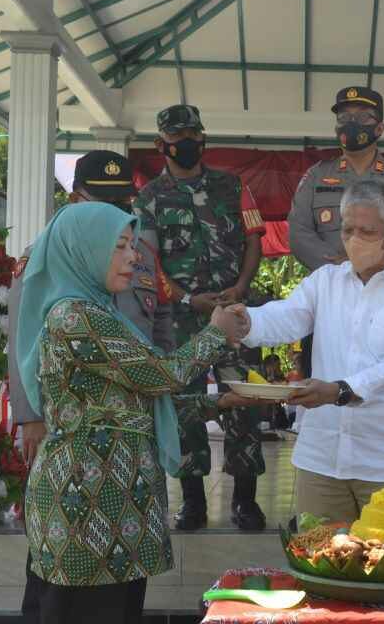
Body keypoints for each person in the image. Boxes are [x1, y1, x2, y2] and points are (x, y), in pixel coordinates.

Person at [14, 202, 247, 624]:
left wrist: (221, 402)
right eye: (118, 246)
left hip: (114, 506)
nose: (133, 257)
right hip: (85, 508)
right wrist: (215, 333)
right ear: (84, 249)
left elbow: (131, 407)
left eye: (132, 246)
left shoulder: (102, 312)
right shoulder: (75, 316)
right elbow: (162, 376)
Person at [6, 150, 175, 622]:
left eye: (120, 202)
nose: (112, 211)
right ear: (74, 199)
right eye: (100, 200)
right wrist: (30, 416)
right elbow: (21, 339)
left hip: (129, 438)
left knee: (118, 580)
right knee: (65, 569)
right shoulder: (49, 254)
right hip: (74, 438)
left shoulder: (139, 253)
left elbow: (160, 323)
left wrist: (160, 379)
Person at [230, 180, 384, 523]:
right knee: (318, 553)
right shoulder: (325, 281)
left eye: (366, 231)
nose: (354, 240)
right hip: (322, 460)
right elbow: (287, 316)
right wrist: (245, 322)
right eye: (347, 230)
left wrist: (338, 391)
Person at [134, 104, 267, 531]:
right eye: (178, 137)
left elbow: (254, 240)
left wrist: (241, 287)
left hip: (234, 311)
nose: (188, 143)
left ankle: (245, 500)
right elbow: (149, 262)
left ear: (203, 137)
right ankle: (192, 501)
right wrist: (189, 298)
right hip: (181, 319)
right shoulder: (149, 198)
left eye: (193, 135)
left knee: (245, 399)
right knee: (184, 406)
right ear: (162, 144)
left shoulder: (234, 186)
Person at [287, 86, 384, 378]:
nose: (351, 123)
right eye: (344, 117)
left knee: (383, 377)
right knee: (321, 381)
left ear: (380, 128)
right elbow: (299, 232)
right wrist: (338, 268)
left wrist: (371, 261)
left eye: (363, 117)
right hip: (329, 298)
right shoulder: (316, 174)